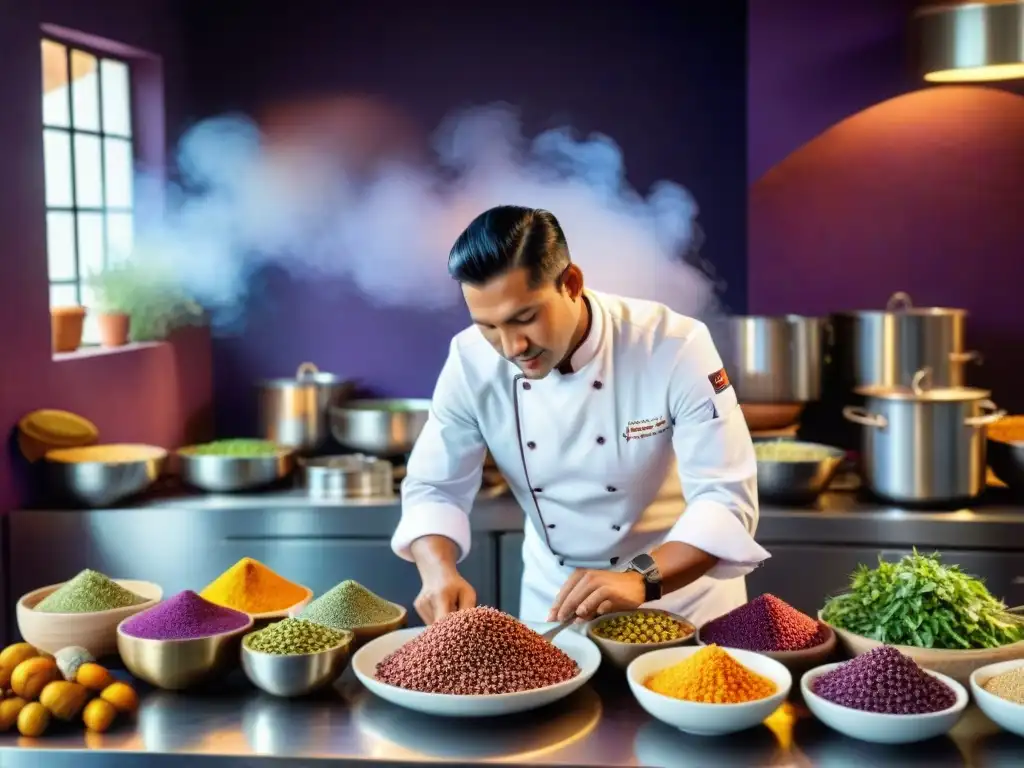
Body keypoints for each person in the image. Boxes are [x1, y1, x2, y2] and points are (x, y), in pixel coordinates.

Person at [391, 205, 769, 627]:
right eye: (488, 326)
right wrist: (437, 571)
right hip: (555, 604)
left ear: (571, 283)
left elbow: (725, 499)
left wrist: (639, 579)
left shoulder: (673, 344)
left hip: (679, 602)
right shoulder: (470, 360)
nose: (511, 346)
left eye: (525, 318)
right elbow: (434, 488)